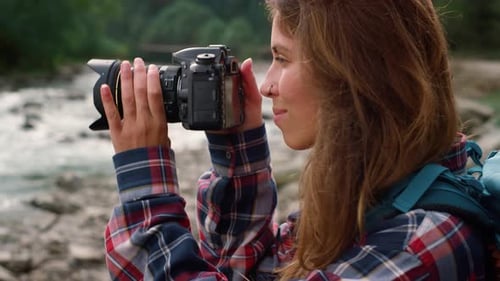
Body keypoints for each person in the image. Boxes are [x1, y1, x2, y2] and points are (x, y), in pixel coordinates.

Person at [99, 0, 489, 280]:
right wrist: (238, 149)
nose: (267, 85)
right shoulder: (379, 193)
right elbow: (242, 270)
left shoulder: (417, 248)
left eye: (282, 58)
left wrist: (145, 188)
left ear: (349, 73)